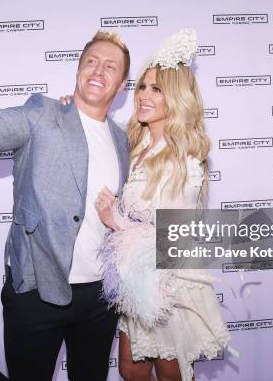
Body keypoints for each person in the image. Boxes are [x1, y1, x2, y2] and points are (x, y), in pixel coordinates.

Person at [0, 14, 131, 381]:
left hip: (98, 297)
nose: (99, 70)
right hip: (35, 292)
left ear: (122, 83)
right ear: (78, 70)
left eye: (111, 66)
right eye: (91, 61)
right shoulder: (41, 113)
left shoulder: (124, 140)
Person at [95, 29, 231, 381]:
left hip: (167, 286)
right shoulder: (137, 144)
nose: (143, 95)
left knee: (171, 373)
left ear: (176, 98)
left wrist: (115, 221)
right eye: (142, 86)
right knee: (131, 370)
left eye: (157, 89)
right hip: (136, 283)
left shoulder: (183, 160)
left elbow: (175, 238)